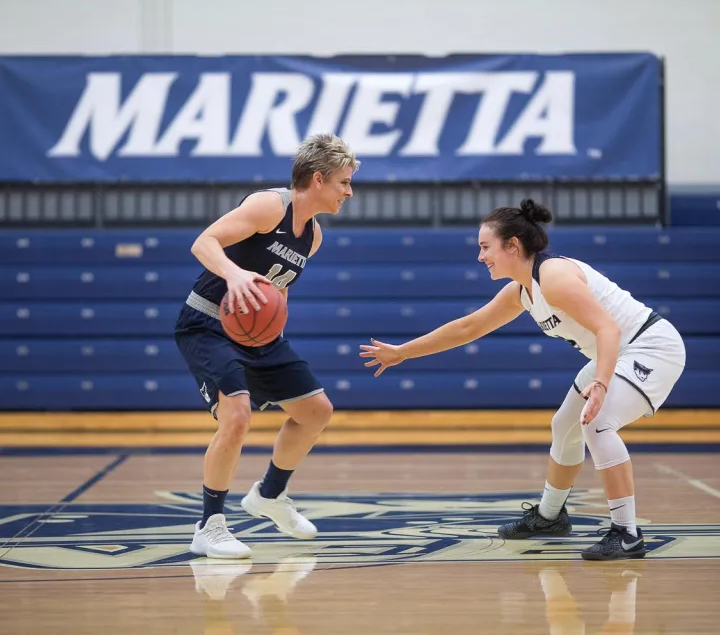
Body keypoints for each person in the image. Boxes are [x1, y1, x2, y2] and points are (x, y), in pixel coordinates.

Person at [359, 199, 686, 561]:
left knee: (596, 424)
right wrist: (403, 351)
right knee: (565, 426)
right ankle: (549, 517)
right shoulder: (523, 289)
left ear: (512, 245)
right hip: (617, 352)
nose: (480, 256)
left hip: (650, 347)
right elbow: (469, 327)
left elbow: (607, 327)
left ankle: (626, 533)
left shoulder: (555, 277)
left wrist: (602, 383)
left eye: (485, 247)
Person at [175, 133, 360, 558]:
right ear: (318, 179)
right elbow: (203, 242)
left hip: (258, 336)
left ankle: (269, 495)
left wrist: (276, 323)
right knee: (236, 416)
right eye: (344, 183)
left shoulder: (312, 236)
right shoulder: (269, 205)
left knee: (316, 411)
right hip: (206, 321)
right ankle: (209, 525)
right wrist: (235, 275)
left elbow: (277, 288)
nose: (349, 192)